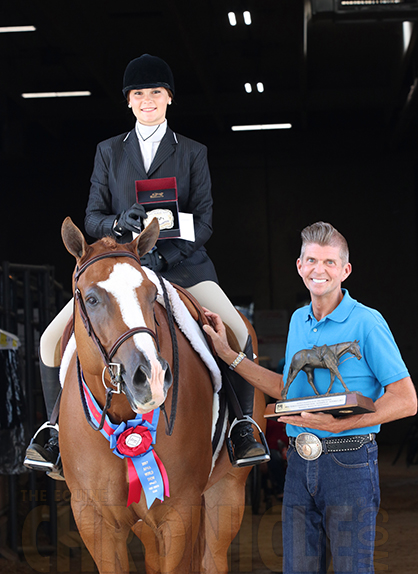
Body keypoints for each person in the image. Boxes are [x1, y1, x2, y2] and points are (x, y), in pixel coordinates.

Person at [24, 54, 268, 479]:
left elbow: (205, 220)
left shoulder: (192, 152)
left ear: (169, 98)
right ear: (129, 102)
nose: (148, 100)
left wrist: (167, 256)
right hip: (123, 270)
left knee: (238, 330)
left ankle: (242, 425)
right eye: (139, 94)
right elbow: (93, 215)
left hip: (184, 266)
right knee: (49, 340)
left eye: (156, 92)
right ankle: (52, 431)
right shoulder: (108, 152)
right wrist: (118, 224)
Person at [203, 221, 417, 573]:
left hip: (349, 463)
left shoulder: (368, 322)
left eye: (330, 262)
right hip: (300, 465)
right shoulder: (299, 321)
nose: (320, 270)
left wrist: (337, 427)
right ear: (300, 266)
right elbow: (288, 391)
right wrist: (229, 355)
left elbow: (406, 400)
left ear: (345, 270)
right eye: (312, 260)